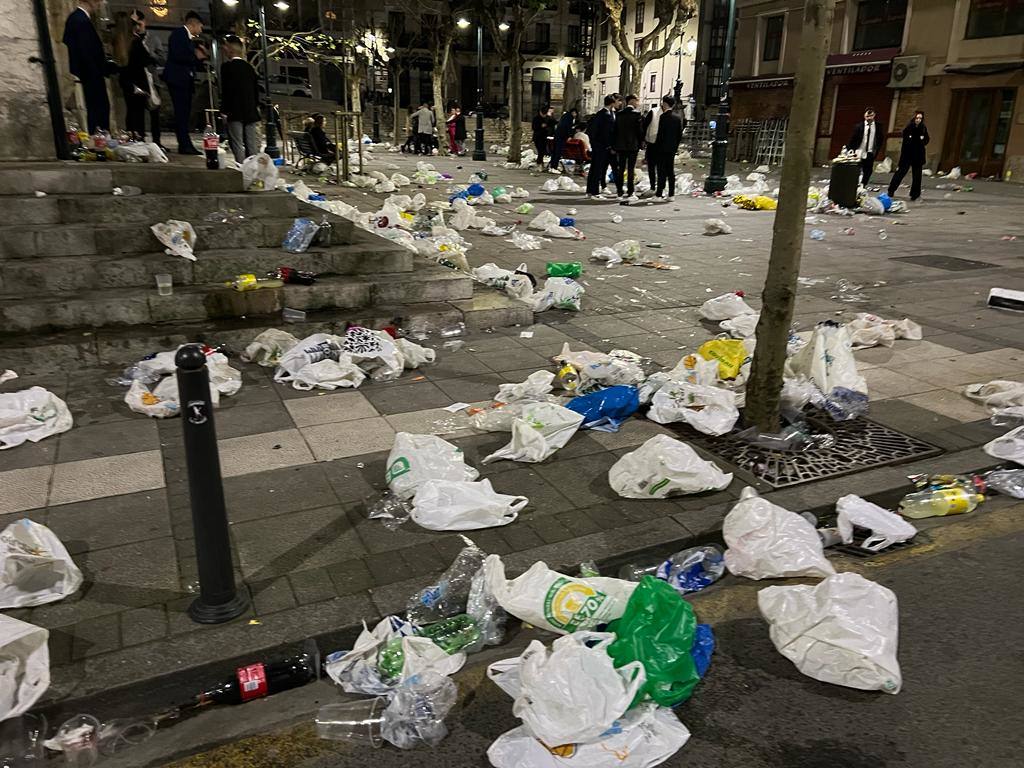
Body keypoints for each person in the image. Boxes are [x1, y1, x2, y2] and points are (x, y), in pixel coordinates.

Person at [63, 0, 114, 133]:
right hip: (90, 75)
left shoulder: (78, 18)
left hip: (89, 73)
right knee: (97, 110)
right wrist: (99, 69)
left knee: (97, 109)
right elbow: (86, 51)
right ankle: (98, 142)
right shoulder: (81, 20)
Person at [162, 10, 208, 155]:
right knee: (181, 112)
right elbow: (178, 55)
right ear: (193, 24)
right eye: (200, 26)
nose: (200, 30)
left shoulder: (187, 38)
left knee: (185, 112)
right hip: (178, 79)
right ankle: (184, 144)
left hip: (184, 80)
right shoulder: (179, 35)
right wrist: (195, 56)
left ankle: (185, 143)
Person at [219, 35, 261, 163]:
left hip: (234, 110)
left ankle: (241, 169)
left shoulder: (226, 67)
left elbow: (226, 90)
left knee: (237, 143)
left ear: (229, 49)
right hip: (250, 109)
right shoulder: (249, 68)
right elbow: (256, 91)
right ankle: (253, 169)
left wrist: (224, 110)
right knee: (251, 143)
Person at [112, 12, 154, 141]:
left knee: (131, 112)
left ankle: (132, 136)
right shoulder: (135, 42)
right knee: (138, 114)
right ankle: (138, 138)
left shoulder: (119, 42)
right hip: (138, 82)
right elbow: (146, 60)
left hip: (127, 82)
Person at [887, 111, 929, 202]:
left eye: (920, 118)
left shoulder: (923, 128)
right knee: (901, 172)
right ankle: (891, 190)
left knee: (917, 176)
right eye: (917, 118)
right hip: (907, 155)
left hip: (918, 156)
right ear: (914, 119)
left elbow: (926, 139)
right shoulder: (909, 128)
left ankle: (915, 194)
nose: (918, 120)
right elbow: (906, 142)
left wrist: (922, 141)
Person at [649, 95, 683, 200]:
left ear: (665, 104)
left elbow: (661, 134)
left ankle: (659, 193)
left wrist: (657, 146)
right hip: (672, 148)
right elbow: (679, 135)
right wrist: (675, 146)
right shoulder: (678, 117)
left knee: (661, 171)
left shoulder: (663, 117)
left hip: (662, 148)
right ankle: (671, 194)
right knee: (670, 171)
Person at [611, 94, 643, 200]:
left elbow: (615, 131)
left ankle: (619, 191)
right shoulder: (637, 114)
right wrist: (641, 143)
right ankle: (630, 191)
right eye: (637, 100)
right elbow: (639, 131)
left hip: (620, 145)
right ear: (632, 101)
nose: (638, 103)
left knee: (621, 169)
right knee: (630, 169)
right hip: (632, 146)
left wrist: (614, 145)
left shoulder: (619, 114)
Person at [585, 95, 617, 198]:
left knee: (594, 168)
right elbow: (607, 133)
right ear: (612, 103)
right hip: (602, 146)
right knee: (598, 169)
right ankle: (595, 192)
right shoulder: (606, 116)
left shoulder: (599, 114)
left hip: (596, 145)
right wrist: (609, 145)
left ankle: (590, 191)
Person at [846, 107, 883, 185]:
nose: (869, 117)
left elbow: (880, 138)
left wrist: (877, 150)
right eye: (867, 116)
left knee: (868, 171)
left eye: (871, 115)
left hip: (870, 152)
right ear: (864, 116)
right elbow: (852, 139)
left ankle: (863, 185)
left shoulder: (878, 126)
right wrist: (850, 149)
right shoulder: (859, 126)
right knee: (856, 169)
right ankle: (853, 184)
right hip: (859, 151)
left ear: (874, 115)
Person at [550, 107, 577, 172]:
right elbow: (568, 127)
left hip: (557, 135)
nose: (575, 115)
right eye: (576, 114)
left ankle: (552, 165)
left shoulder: (564, 116)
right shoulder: (570, 117)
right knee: (558, 152)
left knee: (555, 152)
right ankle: (554, 166)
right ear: (573, 113)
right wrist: (570, 135)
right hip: (562, 137)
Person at [532, 106, 554, 170]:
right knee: (540, 151)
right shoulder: (536, 118)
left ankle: (540, 163)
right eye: (543, 114)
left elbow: (552, 124)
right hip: (538, 137)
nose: (544, 115)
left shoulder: (548, 118)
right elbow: (534, 127)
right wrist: (541, 126)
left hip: (544, 137)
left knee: (543, 151)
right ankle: (539, 163)